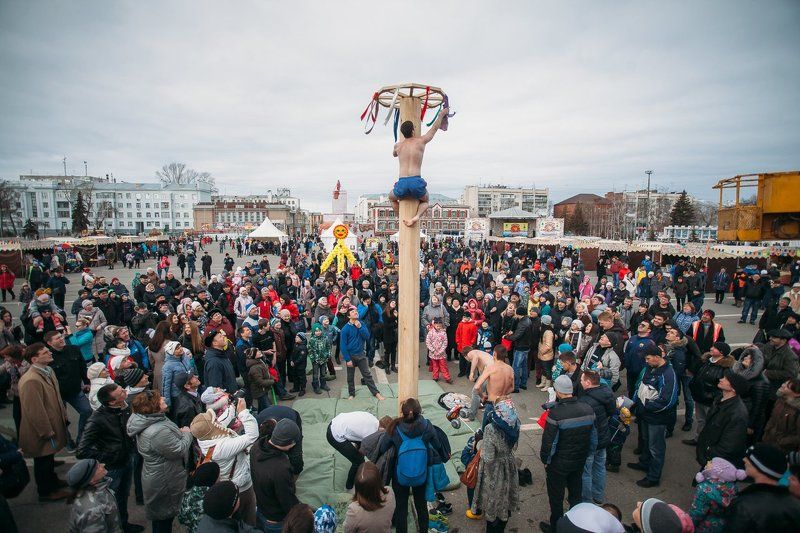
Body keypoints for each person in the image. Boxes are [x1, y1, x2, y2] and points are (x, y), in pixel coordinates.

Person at [76, 382, 143, 533]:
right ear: (112, 401)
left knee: (122, 496)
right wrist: (109, 457)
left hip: (126, 460)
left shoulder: (124, 409)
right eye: (121, 393)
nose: (125, 392)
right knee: (110, 501)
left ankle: (124, 524)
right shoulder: (97, 419)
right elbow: (82, 450)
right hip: (113, 468)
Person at [127, 390, 194, 533]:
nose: (164, 399)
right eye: (160, 400)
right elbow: (178, 450)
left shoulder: (153, 419)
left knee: (162, 517)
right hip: (164, 479)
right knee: (163, 519)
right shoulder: (157, 431)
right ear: (154, 407)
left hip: (162, 473)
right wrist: (187, 434)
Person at [380, 397, 447, 533]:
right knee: (421, 506)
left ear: (403, 412)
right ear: (419, 411)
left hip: (400, 474)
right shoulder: (427, 426)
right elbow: (437, 445)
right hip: (421, 472)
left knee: (401, 508)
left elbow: (382, 447)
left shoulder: (395, 427)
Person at [539, 375, 596, 532]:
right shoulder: (588, 409)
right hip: (579, 460)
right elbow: (593, 438)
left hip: (558, 464)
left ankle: (556, 527)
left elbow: (550, 442)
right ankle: (576, 525)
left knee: (556, 497)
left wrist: (546, 460)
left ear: (557, 392)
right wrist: (587, 454)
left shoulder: (556, 414)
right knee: (576, 493)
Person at [190, 398, 260, 526]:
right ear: (212, 427)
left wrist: (233, 405)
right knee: (247, 517)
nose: (217, 419)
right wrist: (243, 412)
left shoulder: (205, 437)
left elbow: (224, 419)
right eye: (214, 419)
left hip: (229, 482)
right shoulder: (220, 448)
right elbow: (252, 436)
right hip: (241, 487)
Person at [18, 342, 70, 501]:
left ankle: (53, 481)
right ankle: (46, 491)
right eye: (45, 352)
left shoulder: (48, 371)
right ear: (34, 359)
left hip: (53, 422)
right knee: (43, 460)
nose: (50, 353)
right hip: (42, 430)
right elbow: (35, 411)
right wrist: (46, 431)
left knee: (49, 458)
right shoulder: (31, 380)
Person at [628, 343, 678, 488]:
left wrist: (648, 406)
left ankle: (653, 477)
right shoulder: (651, 368)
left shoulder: (668, 374)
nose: (646, 361)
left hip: (657, 418)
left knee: (656, 448)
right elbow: (641, 387)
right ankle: (644, 463)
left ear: (658, 357)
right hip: (644, 414)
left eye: (648, 358)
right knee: (645, 439)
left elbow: (668, 401)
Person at [389, 107, 447, 227]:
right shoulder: (421, 141)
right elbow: (434, 129)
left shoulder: (398, 146)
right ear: (413, 131)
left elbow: (394, 154)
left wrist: (397, 151)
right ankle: (416, 217)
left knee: (392, 198)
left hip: (402, 181)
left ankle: (400, 217)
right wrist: (441, 115)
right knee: (425, 200)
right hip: (416, 180)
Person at [724, 444, 800, 532]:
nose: (744, 460)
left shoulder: (745, 505)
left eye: (749, 459)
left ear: (761, 466)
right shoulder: (795, 503)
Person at [471, 397, 520, 533]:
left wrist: (479, 444)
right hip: (509, 465)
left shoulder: (491, 428)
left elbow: (489, 457)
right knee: (506, 498)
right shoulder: (515, 422)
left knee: (493, 500)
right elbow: (514, 447)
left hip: (494, 470)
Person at [250, 418, 302, 532]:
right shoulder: (281, 468)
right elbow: (287, 499)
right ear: (291, 442)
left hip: (261, 509)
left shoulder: (256, 447)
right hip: (275, 520)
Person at [45, 330, 91, 449]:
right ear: (50, 343)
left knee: (87, 411)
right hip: (58, 395)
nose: (61, 339)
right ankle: (68, 442)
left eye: (61, 336)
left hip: (75, 390)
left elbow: (82, 366)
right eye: (57, 339)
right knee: (61, 420)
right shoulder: (48, 358)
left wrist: (87, 382)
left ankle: (81, 438)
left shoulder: (73, 349)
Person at [684, 342, 735, 446]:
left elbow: (724, 387)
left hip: (711, 402)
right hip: (700, 398)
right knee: (700, 420)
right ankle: (698, 439)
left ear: (721, 353)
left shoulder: (725, 369)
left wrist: (713, 397)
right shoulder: (706, 361)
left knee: (710, 423)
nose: (711, 348)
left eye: (714, 348)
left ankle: (707, 443)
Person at [696, 370, 749, 468]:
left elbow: (729, 445)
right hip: (708, 453)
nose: (721, 379)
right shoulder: (719, 399)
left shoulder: (738, 413)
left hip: (716, 462)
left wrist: (709, 454)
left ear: (733, 388)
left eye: (726, 379)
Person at [578, 370, 614, 505]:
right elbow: (611, 412)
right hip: (604, 437)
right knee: (599, 467)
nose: (580, 382)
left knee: (586, 472)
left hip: (591, 441)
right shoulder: (606, 392)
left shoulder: (586, 402)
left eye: (582, 380)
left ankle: (586, 500)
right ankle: (598, 495)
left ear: (588, 383)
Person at [340, 306, 385, 401]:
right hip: (351, 356)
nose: (356, 312)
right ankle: (351, 393)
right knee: (350, 377)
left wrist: (360, 327)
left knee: (367, 375)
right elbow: (343, 345)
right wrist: (347, 359)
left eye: (356, 311)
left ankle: (376, 393)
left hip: (361, 354)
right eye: (353, 311)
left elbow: (367, 336)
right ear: (349, 316)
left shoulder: (361, 324)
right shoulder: (345, 329)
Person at [689, 457, 746, 533]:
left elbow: (696, 513)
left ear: (717, 471)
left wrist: (688, 526)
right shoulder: (733, 487)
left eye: (711, 462)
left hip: (705, 527)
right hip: (722, 526)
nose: (708, 462)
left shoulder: (704, 489)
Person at [66, 459, 123, 533]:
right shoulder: (92, 510)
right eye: (98, 467)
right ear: (91, 480)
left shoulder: (98, 487)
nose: (103, 465)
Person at [327, 411, 380, 490]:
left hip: (338, 421)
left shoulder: (374, 420)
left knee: (360, 450)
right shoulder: (370, 434)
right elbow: (369, 451)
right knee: (358, 461)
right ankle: (349, 486)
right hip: (334, 434)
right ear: (381, 429)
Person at [343, 461, 396, 533]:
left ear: (358, 487)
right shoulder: (390, 493)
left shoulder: (354, 510)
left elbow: (348, 530)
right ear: (378, 480)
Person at [473, 345, 514, 428]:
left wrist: (483, 396)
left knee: (485, 429)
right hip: (505, 403)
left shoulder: (490, 368)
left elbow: (477, 387)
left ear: (494, 354)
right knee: (502, 430)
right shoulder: (510, 369)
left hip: (492, 403)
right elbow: (512, 388)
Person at [177, 461, 220, 533]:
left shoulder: (189, 490)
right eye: (218, 475)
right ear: (211, 480)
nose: (220, 477)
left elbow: (181, 518)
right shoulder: (212, 500)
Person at [762, 377, 800, 452]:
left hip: (782, 449)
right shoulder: (780, 400)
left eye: (787, 386)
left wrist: (782, 441)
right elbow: (772, 418)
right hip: (767, 441)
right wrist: (767, 431)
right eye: (785, 383)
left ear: (797, 394)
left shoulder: (797, 411)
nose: (782, 385)